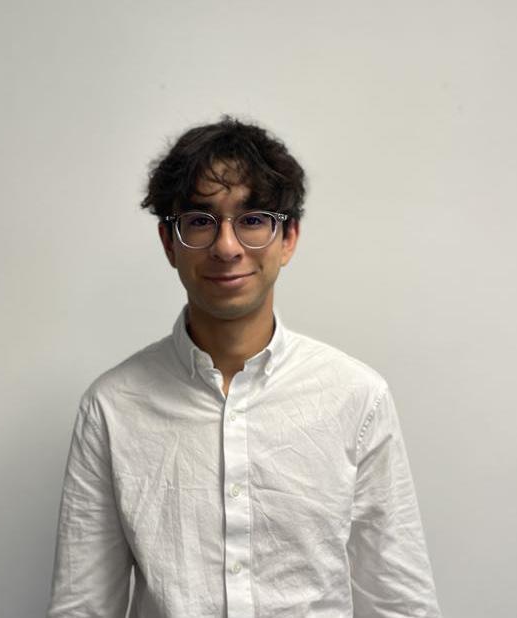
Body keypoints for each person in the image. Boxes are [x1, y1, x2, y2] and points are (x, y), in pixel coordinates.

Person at [47, 116, 442, 617]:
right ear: (169, 242)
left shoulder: (356, 397)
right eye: (200, 221)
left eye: (253, 219)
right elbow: (82, 607)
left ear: (289, 237)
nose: (227, 247)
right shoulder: (111, 407)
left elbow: (400, 603)